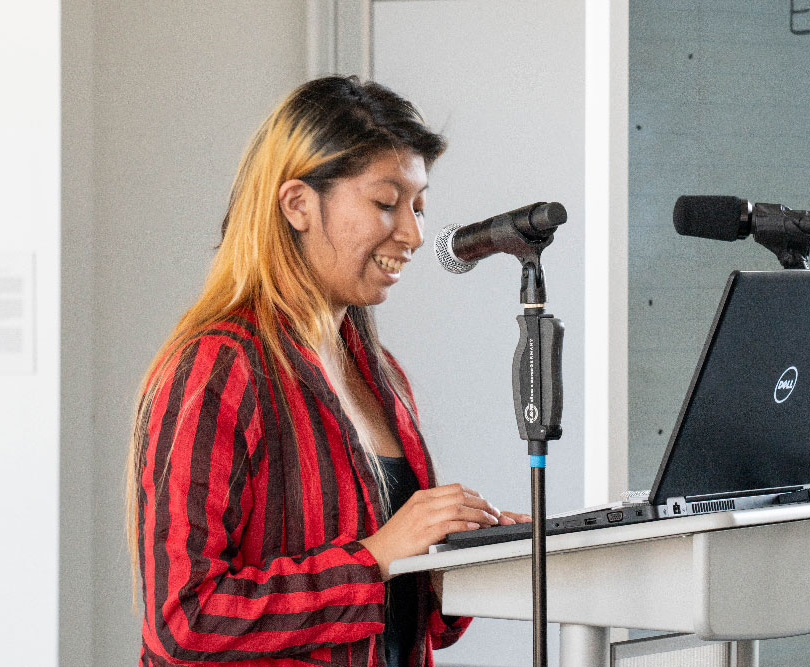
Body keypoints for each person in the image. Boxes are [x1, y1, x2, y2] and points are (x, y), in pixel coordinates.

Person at [125, 75, 530, 667]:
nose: (414, 235)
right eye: (386, 203)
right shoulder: (217, 369)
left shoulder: (381, 375)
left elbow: (393, 621)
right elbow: (184, 622)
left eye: (418, 207)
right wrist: (374, 560)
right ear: (298, 204)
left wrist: (452, 562)